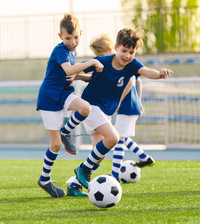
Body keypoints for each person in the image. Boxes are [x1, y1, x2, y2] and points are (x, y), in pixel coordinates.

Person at [61, 28, 173, 193]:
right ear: (116, 47)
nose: (127, 55)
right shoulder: (103, 61)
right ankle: (83, 168)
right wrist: (73, 75)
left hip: (105, 112)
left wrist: (160, 73)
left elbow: (148, 72)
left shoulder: (132, 65)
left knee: (99, 153)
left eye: (131, 52)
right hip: (91, 106)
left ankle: (75, 185)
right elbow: (80, 68)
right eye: (124, 51)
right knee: (113, 138)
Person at [36, 13, 103, 198]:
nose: (73, 41)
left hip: (63, 94)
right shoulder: (60, 50)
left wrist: (88, 77)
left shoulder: (72, 51)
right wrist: (91, 62)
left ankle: (66, 131)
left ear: (80, 33)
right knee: (55, 145)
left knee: (85, 108)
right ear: (60, 37)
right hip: (49, 99)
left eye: (76, 37)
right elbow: (68, 69)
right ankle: (44, 179)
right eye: (68, 38)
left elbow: (72, 73)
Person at [89, 34, 156, 181]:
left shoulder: (123, 65)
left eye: (102, 55)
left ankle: (115, 175)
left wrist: (127, 101)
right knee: (122, 137)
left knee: (119, 138)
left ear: (110, 49)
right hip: (129, 104)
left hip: (127, 104)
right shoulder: (116, 65)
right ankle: (144, 157)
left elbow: (134, 81)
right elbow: (137, 81)